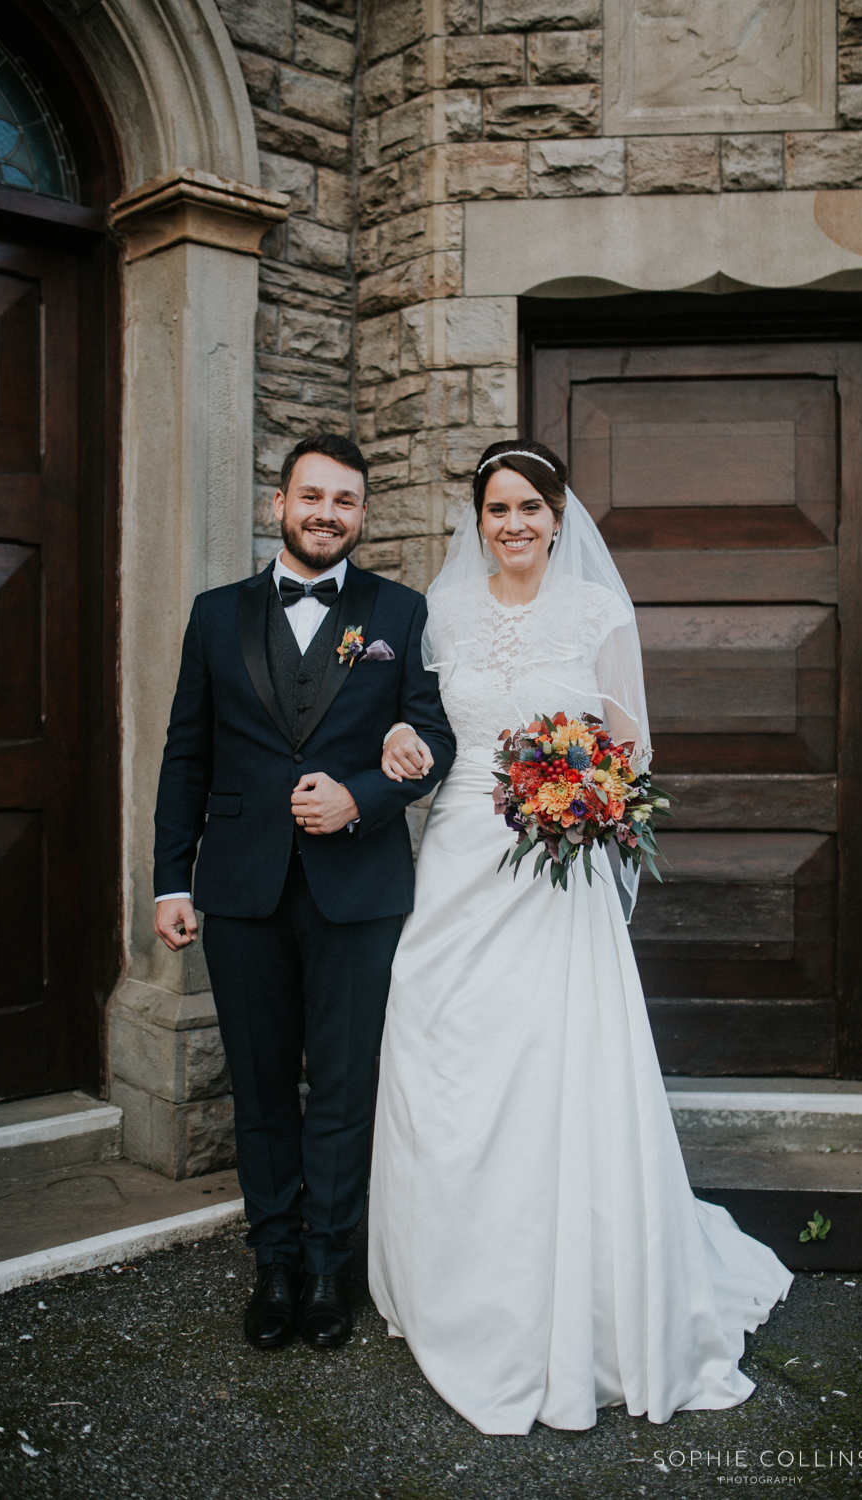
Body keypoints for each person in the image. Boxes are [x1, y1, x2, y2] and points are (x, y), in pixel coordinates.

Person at [369, 438, 793, 1434]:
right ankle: (448, 1280)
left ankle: (575, 1298)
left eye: (529, 506)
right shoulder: (442, 614)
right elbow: (424, 733)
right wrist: (396, 742)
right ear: (477, 521)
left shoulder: (597, 612)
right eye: (496, 509)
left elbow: (627, 751)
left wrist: (578, 799)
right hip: (462, 865)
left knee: (555, 1065)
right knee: (446, 1052)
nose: (512, 524)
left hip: (555, 878)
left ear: (559, 516)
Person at [153, 434, 455, 1352]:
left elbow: (435, 740)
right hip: (240, 889)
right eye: (313, 496)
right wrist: (172, 878)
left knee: (344, 1086)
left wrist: (363, 795)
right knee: (259, 1087)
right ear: (279, 504)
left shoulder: (399, 612)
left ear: (363, 515)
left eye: (346, 502)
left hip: (357, 891)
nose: (328, 513)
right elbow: (187, 754)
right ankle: (274, 1262)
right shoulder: (215, 615)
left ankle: (330, 1264)